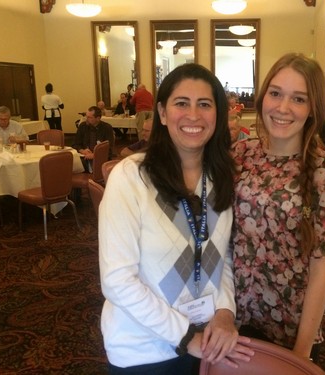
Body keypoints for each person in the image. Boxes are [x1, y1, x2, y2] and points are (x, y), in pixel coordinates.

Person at [99, 63, 253, 374]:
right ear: (163, 113)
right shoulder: (132, 177)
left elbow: (218, 254)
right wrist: (184, 336)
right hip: (143, 348)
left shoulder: (220, 176)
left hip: (205, 338)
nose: (193, 115)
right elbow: (117, 280)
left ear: (218, 115)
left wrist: (224, 311)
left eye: (205, 104)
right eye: (181, 103)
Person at [231, 53, 325, 364]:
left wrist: (301, 354)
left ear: (312, 109)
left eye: (298, 99)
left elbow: (321, 273)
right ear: (262, 97)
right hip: (233, 319)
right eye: (275, 93)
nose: (283, 108)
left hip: (290, 329)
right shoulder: (240, 154)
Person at [72, 106, 114, 172]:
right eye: (86, 116)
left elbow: (109, 149)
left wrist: (95, 155)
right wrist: (82, 150)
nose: (86, 119)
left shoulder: (107, 128)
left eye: (89, 117)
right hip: (84, 158)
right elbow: (75, 144)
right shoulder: (83, 126)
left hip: (100, 159)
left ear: (98, 118)